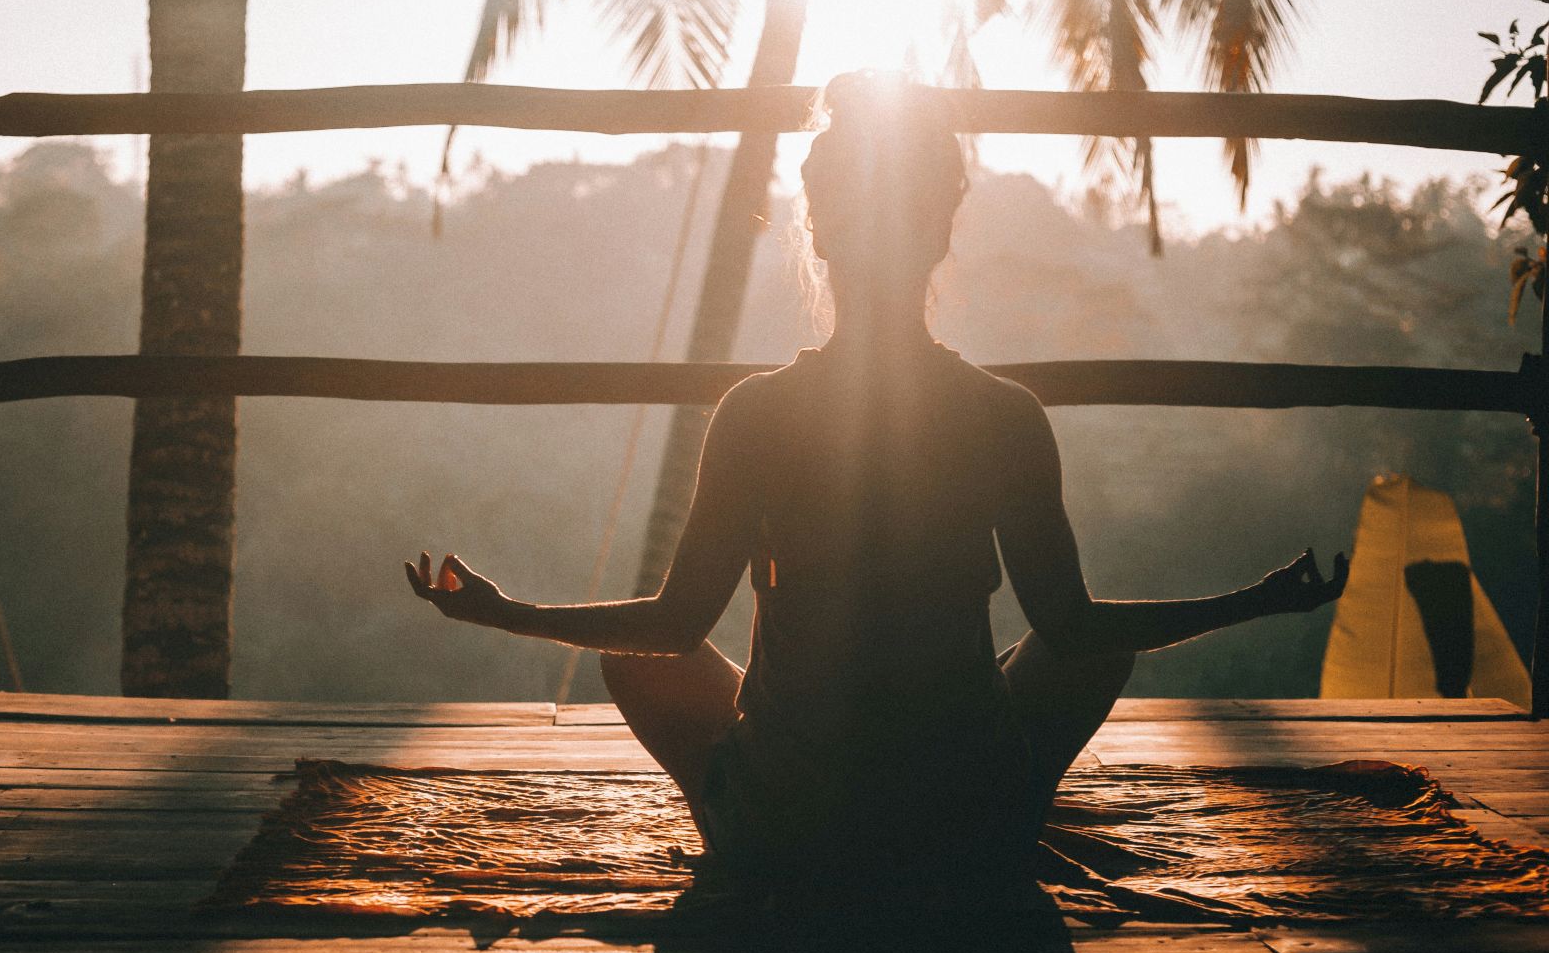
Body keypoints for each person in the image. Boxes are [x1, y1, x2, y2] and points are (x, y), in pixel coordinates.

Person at [405, 71, 1348, 901]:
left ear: (818, 234)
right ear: (940, 232)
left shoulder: (757, 413)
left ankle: (744, 831)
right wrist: (1257, 601)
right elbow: (1074, 627)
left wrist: (504, 609)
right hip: (962, 828)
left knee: (636, 660)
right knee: (1090, 647)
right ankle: (1003, 807)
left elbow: (673, 625)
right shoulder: (1004, 415)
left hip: (792, 831)